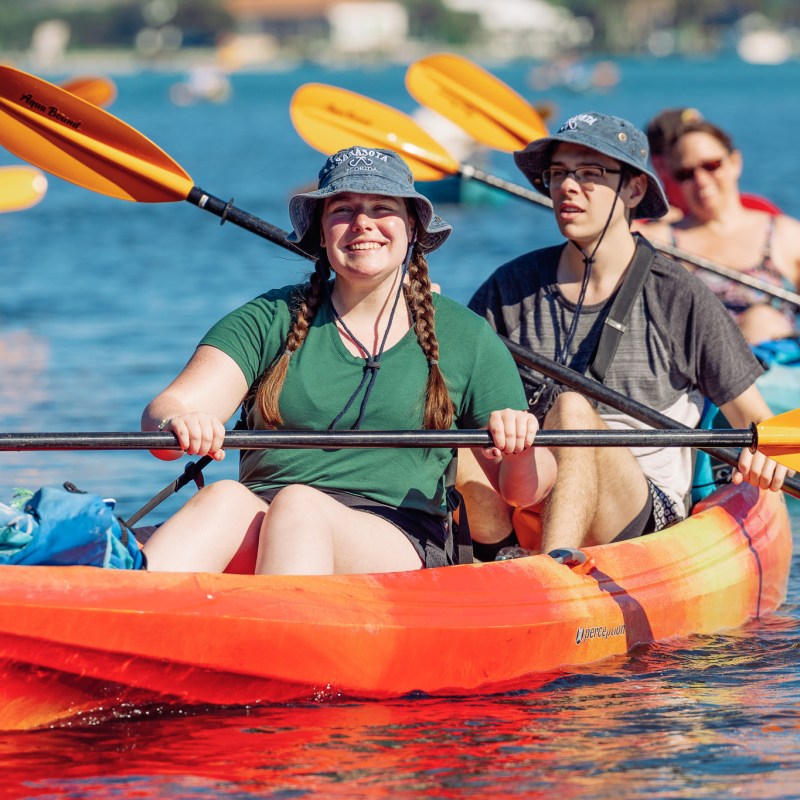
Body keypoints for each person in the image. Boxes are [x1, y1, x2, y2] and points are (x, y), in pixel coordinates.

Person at [140, 146, 556, 575]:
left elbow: (523, 493)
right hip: (264, 516)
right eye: (342, 210)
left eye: (382, 208)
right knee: (222, 496)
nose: (362, 224)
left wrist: (522, 447)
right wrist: (178, 422)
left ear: (412, 226)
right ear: (321, 232)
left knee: (300, 507)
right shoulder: (270, 317)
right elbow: (164, 416)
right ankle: (122, 617)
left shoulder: (466, 336)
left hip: (397, 535)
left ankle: (281, 633)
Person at [461, 112, 789, 560]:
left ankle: (555, 569)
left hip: (641, 511)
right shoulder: (511, 286)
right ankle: (487, 557)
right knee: (449, 424)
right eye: (557, 174)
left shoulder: (677, 294)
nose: (567, 187)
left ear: (634, 190)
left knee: (573, 409)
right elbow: (448, 393)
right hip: (527, 488)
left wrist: (764, 454)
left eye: (590, 174)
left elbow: (760, 422)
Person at [640, 116, 800, 345]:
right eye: (686, 174)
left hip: (775, 372)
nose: (701, 180)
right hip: (695, 370)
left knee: (762, 319)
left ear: (735, 162)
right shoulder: (656, 242)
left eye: (711, 165)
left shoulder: (786, 234)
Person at [642, 107, 783, 222]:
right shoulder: (646, 228)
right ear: (660, 165)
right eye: (686, 172)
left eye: (711, 164)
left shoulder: (761, 212)